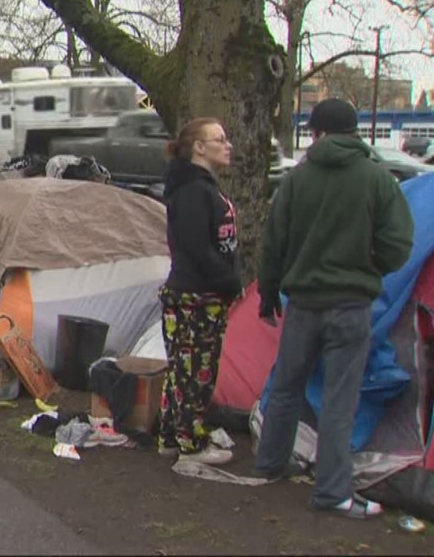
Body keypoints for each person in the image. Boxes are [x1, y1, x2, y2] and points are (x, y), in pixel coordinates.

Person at [254, 98, 413, 519]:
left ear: (318, 132)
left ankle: (269, 463)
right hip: (351, 305)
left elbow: (274, 246)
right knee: (340, 400)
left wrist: (268, 296)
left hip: (303, 303)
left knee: (287, 386)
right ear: (355, 132)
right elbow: (399, 243)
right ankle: (332, 492)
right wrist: (371, 266)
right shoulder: (377, 179)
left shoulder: (297, 180)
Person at [157, 117, 241, 465]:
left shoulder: (203, 186)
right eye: (219, 139)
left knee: (183, 369)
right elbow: (196, 245)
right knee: (194, 372)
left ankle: (171, 437)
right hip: (195, 296)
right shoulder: (193, 190)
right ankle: (190, 444)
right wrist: (227, 279)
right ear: (199, 148)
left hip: (201, 294)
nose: (228, 144)